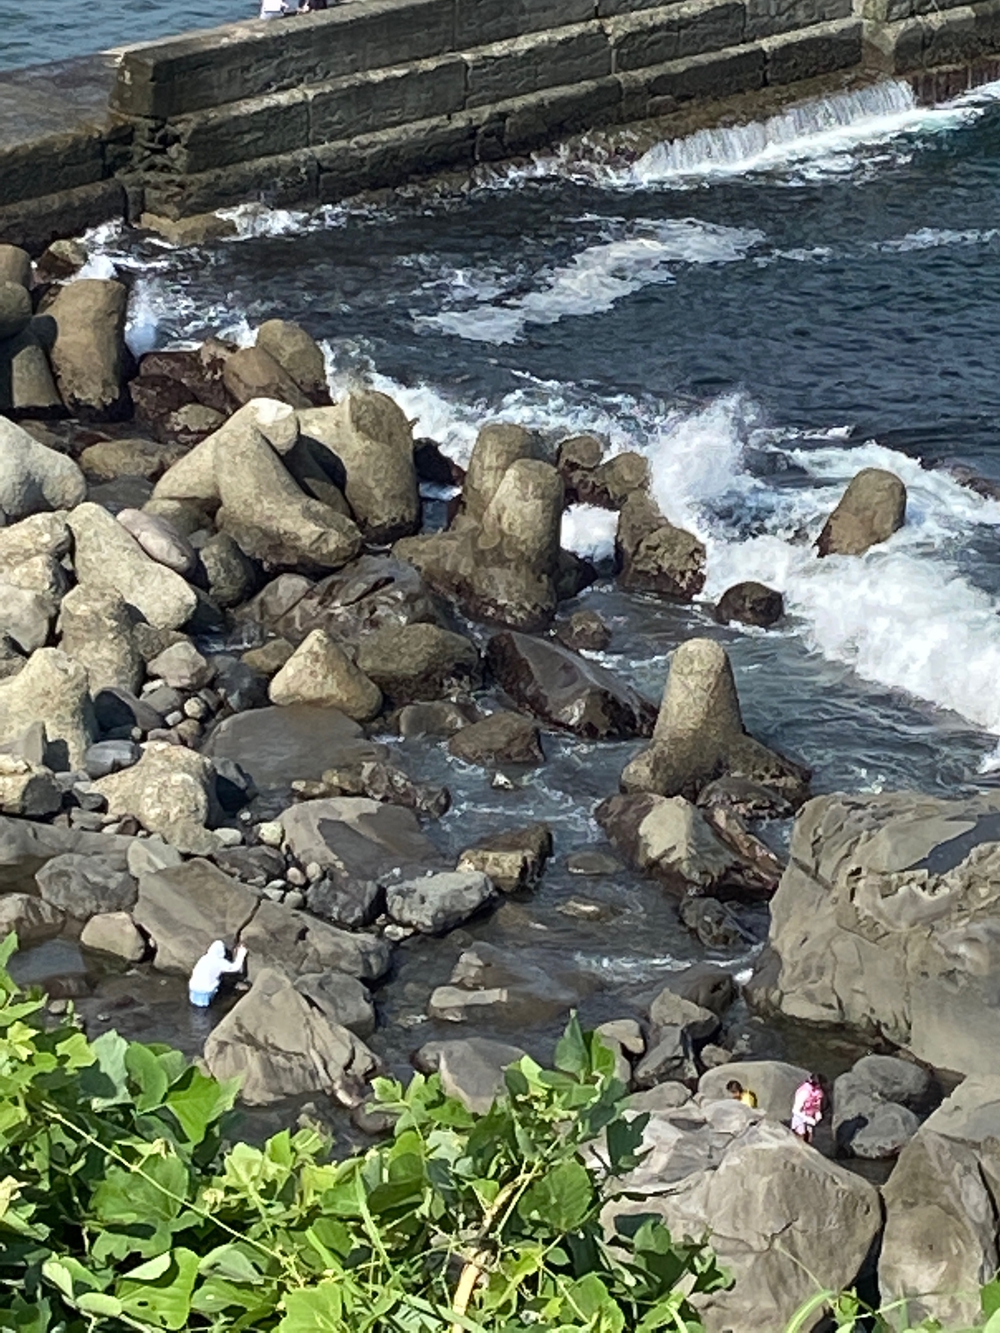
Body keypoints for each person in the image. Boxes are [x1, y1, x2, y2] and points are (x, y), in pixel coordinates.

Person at [189, 940, 247, 1008]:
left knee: (195, 1007)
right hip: (206, 991)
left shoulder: (204, 958)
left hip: (193, 988)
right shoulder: (219, 961)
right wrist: (241, 954)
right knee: (205, 1007)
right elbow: (235, 967)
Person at [791, 1073, 824, 1143]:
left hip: (810, 1119)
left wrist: (818, 1113)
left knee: (809, 1140)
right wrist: (807, 1119)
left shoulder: (818, 1091)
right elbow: (795, 1110)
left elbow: (817, 1105)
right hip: (800, 1120)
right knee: (800, 1141)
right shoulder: (804, 1092)